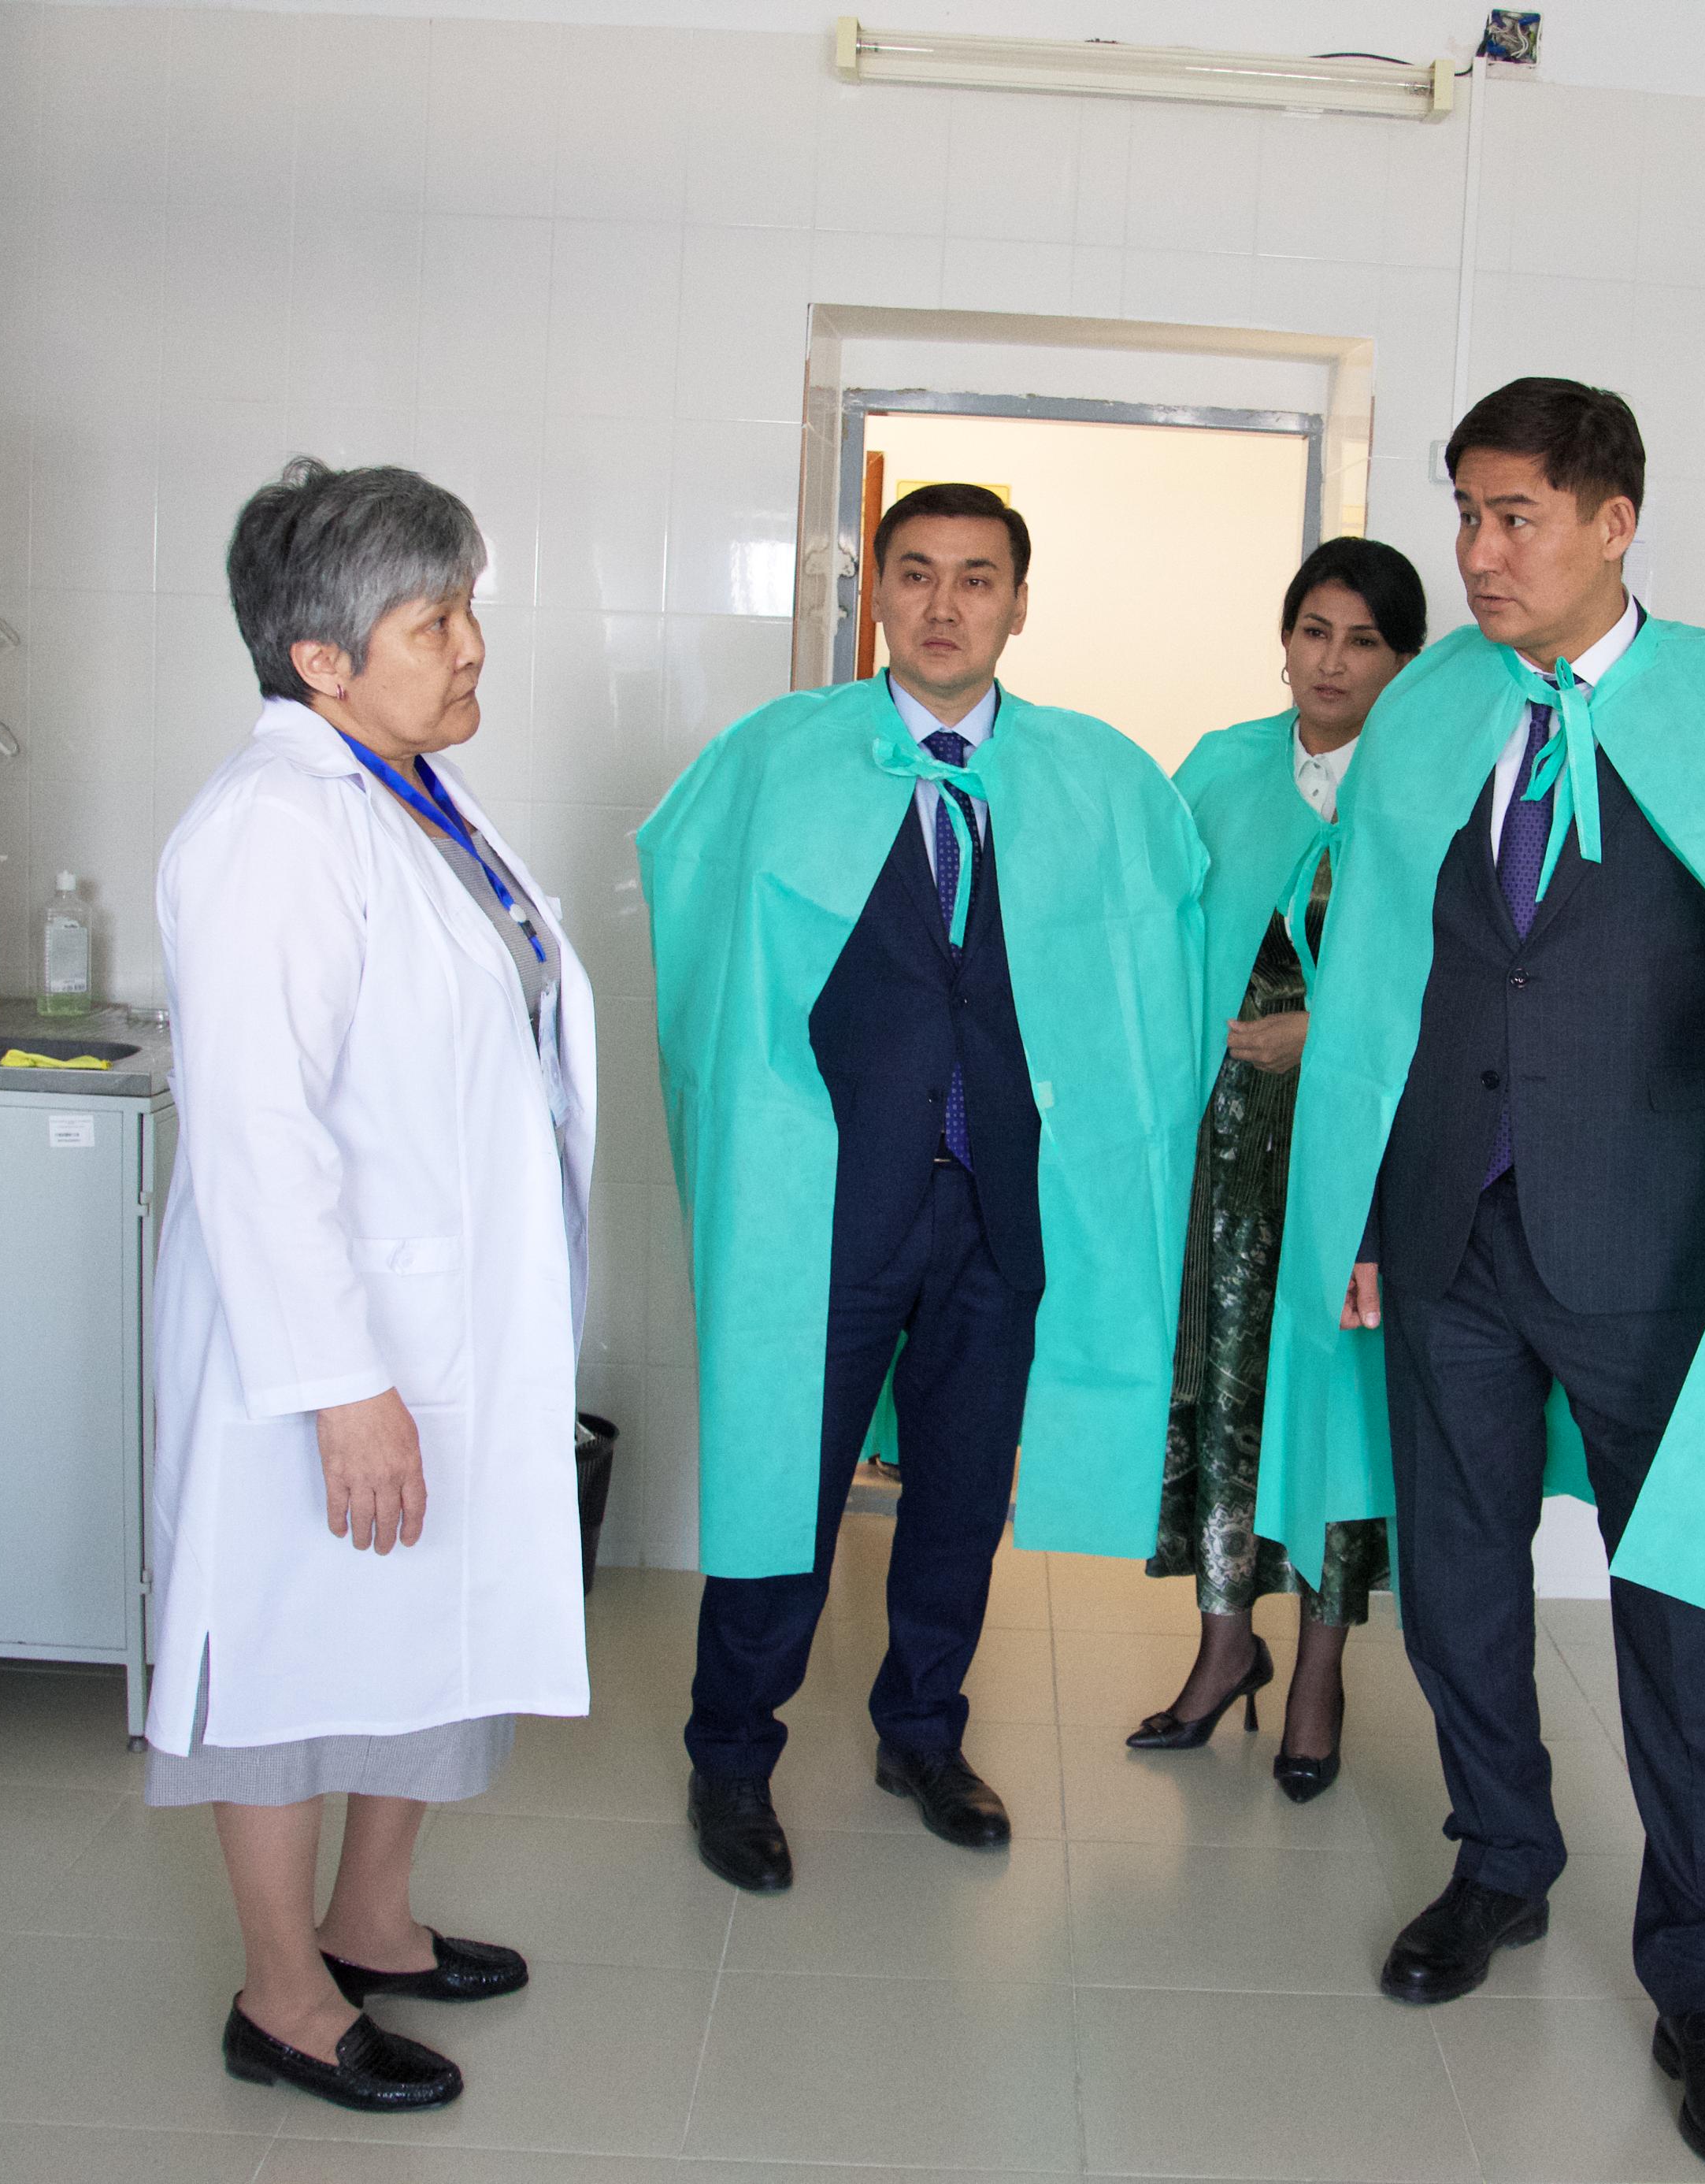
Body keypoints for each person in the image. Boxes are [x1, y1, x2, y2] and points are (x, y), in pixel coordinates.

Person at [1259, 380, 1705, 2173]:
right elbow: (1382, 986)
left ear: (1613, 521)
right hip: (1448, 1237)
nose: (1478, 553)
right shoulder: (1432, 714)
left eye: (1516, 518)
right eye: (1466, 515)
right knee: (1455, 1583)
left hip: (1644, 1238)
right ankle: (1502, 1857)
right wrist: (1360, 1217)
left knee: (1677, 1610)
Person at [637, 482, 1210, 1891]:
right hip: (828, 1199)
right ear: (875, 592)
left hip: (1000, 1199)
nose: (944, 605)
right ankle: (732, 1754)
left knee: (960, 1491)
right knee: (791, 1475)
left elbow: (1162, 956)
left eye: (976, 577)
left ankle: (923, 1731)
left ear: (1019, 602)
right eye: (916, 573)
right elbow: (702, 939)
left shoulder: (1091, 781)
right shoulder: (779, 759)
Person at [146, 459, 599, 2115]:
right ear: (320, 659)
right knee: (283, 1644)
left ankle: (372, 1921)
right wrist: (339, 1382)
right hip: (326, 1339)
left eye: (468, 605)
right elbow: (255, 1135)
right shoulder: (272, 825)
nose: (472, 644)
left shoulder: (409, 786)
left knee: (419, 1622)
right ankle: (283, 1996)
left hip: (442, 1314)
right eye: (433, 620)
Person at [1132, 538, 1425, 1799]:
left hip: (1355, 1159)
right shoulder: (1221, 768)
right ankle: (1222, 1644)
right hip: (1221, 1147)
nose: (1332, 661)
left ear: (1404, 662)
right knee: (1223, 1382)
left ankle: (1318, 1668)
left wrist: (1328, 1034)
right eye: (1314, 631)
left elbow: (1455, 976)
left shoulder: (1429, 792)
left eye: (1364, 641)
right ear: (1285, 639)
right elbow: (1152, 925)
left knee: (1333, 1400)